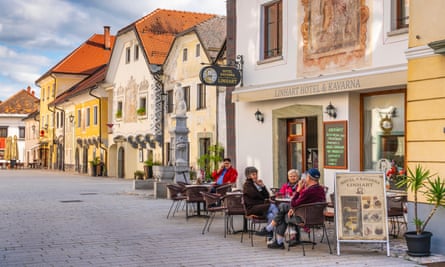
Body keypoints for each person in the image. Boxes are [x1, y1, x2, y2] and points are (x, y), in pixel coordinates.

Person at [258, 168, 326, 249]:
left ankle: (273, 234)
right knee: (283, 211)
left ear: (308, 177)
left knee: (283, 210)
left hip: (303, 218)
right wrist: (293, 209)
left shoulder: (308, 191)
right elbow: (302, 204)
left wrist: (298, 190)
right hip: (317, 218)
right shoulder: (321, 189)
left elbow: (294, 203)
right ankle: (275, 237)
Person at [243, 166, 278, 240]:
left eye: (256, 174)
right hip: (252, 208)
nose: (256, 176)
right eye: (253, 174)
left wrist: (262, 186)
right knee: (272, 206)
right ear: (248, 176)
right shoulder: (247, 184)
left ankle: (269, 234)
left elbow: (266, 196)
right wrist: (258, 187)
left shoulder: (255, 184)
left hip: (260, 208)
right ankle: (278, 226)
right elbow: (255, 195)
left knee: (271, 215)